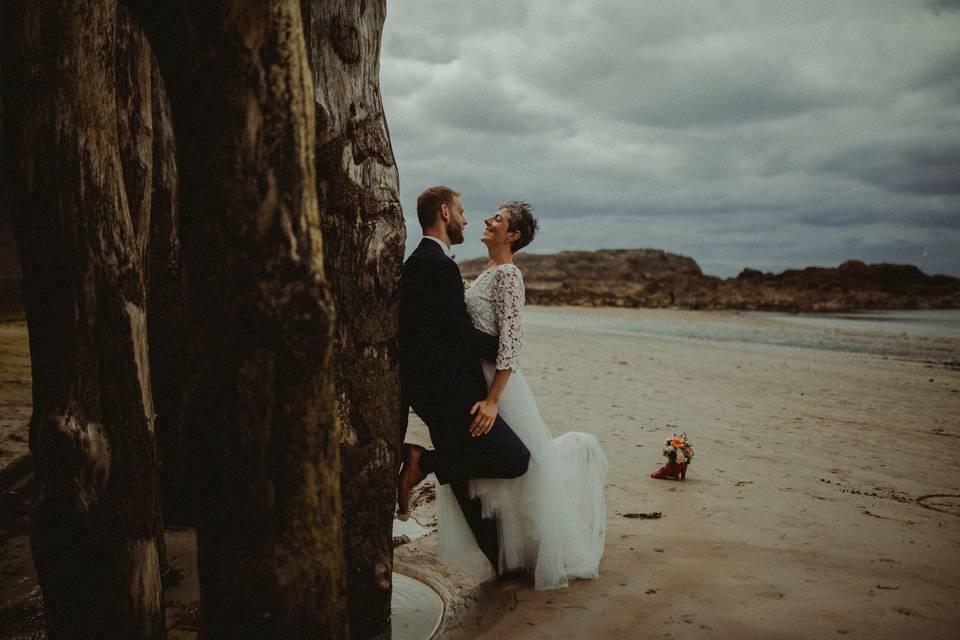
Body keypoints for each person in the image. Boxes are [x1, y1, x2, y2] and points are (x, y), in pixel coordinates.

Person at [436, 201, 607, 590]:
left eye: (497, 219)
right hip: (476, 377)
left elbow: (512, 344)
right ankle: (510, 557)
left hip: (497, 384)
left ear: (512, 235)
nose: (487, 220)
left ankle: (522, 555)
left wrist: (494, 400)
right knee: (498, 475)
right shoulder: (489, 272)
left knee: (513, 464)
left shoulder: (509, 276)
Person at [398, 186, 531, 574]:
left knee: (467, 488)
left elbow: (449, 327)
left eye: (496, 219)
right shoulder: (435, 264)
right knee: (512, 459)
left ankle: (501, 562)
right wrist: (497, 348)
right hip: (450, 390)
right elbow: (454, 331)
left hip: (446, 386)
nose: (469, 220)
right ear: (444, 212)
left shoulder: (432, 262)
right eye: (461, 211)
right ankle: (423, 460)